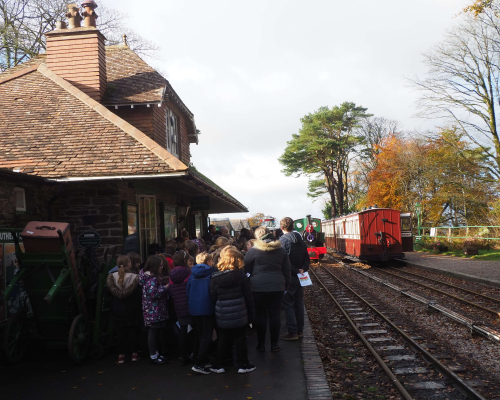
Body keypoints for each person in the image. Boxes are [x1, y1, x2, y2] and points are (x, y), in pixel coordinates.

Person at [244, 226, 291, 353]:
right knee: (275, 315)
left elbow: (246, 265)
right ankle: (274, 344)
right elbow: (287, 270)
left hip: (258, 286)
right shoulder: (281, 250)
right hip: (277, 286)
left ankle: (260, 344)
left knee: (260, 315)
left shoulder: (253, 250)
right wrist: (286, 285)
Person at [210, 246, 256, 374]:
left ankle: (220, 364)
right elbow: (248, 296)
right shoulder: (241, 276)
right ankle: (243, 364)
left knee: (223, 338)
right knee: (240, 338)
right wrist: (252, 315)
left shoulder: (214, 277)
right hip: (239, 312)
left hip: (222, 313)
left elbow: (213, 297)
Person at [278, 217, 310, 341]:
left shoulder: (282, 241)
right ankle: (300, 330)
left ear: (282, 228)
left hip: (289, 277)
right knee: (298, 303)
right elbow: (307, 258)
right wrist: (302, 268)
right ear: (293, 227)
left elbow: (284, 262)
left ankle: (292, 332)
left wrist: (296, 270)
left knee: (287, 304)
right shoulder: (301, 241)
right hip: (300, 277)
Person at [187, 252, 218, 374]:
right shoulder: (211, 274)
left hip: (195, 308)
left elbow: (188, 291)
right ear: (209, 261)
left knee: (200, 334)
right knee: (207, 335)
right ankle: (199, 362)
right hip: (207, 307)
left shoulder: (192, 274)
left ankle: (202, 358)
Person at [107, 255, 142, 363]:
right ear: (129, 264)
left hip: (118, 308)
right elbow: (139, 294)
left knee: (121, 332)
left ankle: (121, 355)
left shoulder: (111, 277)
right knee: (133, 331)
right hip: (132, 308)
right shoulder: (135, 277)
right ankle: (134, 354)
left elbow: (109, 294)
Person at [139, 255, 169, 365]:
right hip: (153, 310)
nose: (162, 267)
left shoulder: (151, 277)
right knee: (153, 332)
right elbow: (154, 294)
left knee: (155, 332)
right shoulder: (151, 279)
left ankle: (156, 353)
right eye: (160, 265)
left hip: (154, 309)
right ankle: (153, 355)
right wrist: (165, 288)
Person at [169, 251, 193, 365]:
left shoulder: (171, 275)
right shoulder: (189, 272)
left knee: (183, 330)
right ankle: (192, 351)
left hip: (178, 305)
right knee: (194, 329)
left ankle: (182, 355)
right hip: (190, 304)